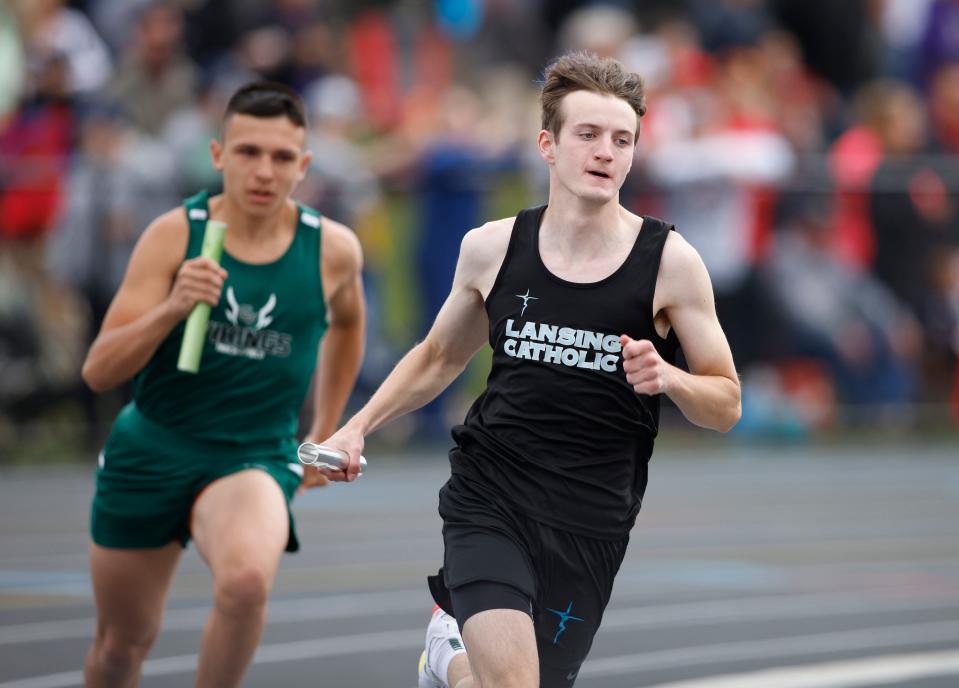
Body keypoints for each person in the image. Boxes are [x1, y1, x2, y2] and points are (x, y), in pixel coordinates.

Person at [322, 51, 741, 688]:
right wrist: (357, 427)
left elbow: (727, 403)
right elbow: (439, 356)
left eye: (622, 139)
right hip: (493, 494)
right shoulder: (492, 248)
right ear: (547, 144)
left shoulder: (670, 263)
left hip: (591, 519)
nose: (606, 152)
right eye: (588, 134)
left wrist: (671, 378)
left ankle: (447, 654)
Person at [80, 81, 365, 687]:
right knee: (119, 648)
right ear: (218, 155)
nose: (264, 171)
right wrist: (171, 308)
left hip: (252, 457)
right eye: (248, 152)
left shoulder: (332, 250)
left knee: (244, 583)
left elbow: (348, 326)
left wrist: (326, 433)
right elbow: (99, 370)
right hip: (153, 447)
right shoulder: (174, 235)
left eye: (282, 157)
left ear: (304, 164)